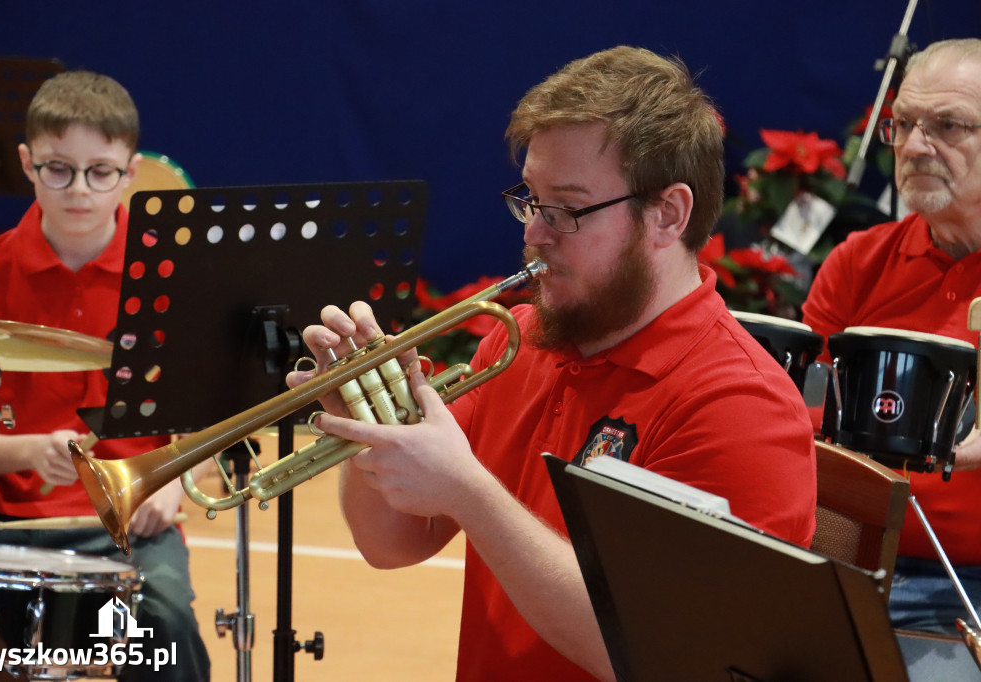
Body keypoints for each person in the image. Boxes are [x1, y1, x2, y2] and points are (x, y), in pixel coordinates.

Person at [289, 46, 817, 681]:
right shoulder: (524, 341)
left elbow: (658, 655)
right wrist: (370, 422)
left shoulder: (740, 408)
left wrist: (470, 493)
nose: (534, 234)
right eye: (530, 201)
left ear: (668, 214)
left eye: (565, 209)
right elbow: (391, 544)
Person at [0, 71, 209, 682]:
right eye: (57, 169)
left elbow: (209, 415)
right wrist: (20, 452)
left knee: (168, 628)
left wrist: (175, 481)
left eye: (100, 172)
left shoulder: (170, 278)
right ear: (26, 162)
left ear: (129, 173)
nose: (79, 190)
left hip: (129, 526)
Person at [802, 38, 981, 638]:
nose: (913, 146)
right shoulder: (859, 263)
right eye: (902, 124)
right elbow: (799, 418)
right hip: (852, 564)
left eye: (947, 125)